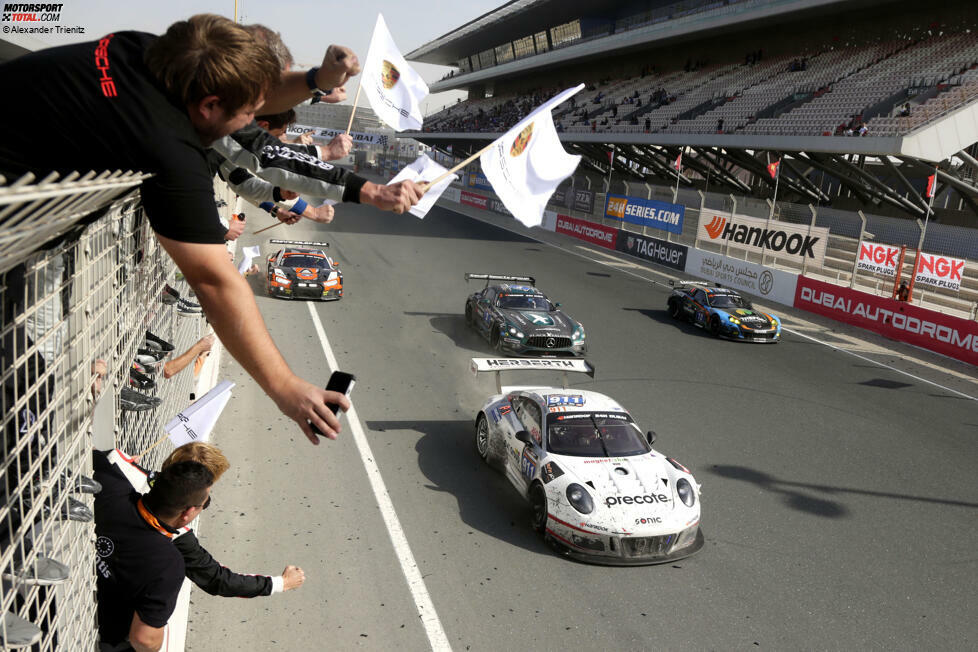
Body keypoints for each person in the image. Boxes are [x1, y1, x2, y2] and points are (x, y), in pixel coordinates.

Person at [0, 15, 423, 443]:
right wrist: (285, 387)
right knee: (29, 390)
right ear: (210, 106)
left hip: (25, 213)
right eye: (249, 113)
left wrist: (315, 80)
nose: (252, 124)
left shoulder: (155, 53)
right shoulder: (166, 147)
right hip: (14, 239)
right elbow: (215, 281)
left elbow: (256, 135)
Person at [93, 450, 213, 651]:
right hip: (93, 634)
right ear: (188, 512)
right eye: (204, 504)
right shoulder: (168, 564)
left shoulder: (110, 483)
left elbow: (91, 454)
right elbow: (145, 639)